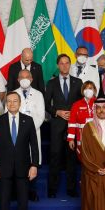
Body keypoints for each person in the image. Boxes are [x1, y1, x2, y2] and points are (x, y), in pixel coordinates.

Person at [0, 92, 39, 210]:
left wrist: (34, 165)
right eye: (9, 101)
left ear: (20, 103)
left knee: (23, 203)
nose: (12, 104)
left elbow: (34, 146)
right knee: (4, 202)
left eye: (15, 101)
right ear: (6, 104)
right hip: (3, 170)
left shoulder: (28, 121)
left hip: (23, 169)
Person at [44, 54, 82, 198]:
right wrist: (57, 112)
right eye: (62, 63)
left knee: (71, 157)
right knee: (55, 156)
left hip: (74, 125)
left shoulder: (78, 82)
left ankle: (71, 189)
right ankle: (52, 189)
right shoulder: (51, 83)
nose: (65, 66)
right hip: (57, 124)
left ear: (70, 65)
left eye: (67, 63)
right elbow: (47, 105)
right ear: (58, 65)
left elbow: (81, 103)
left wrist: (74, 114)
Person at [11, 67, 46, 200]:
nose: (24, 80)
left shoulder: (38, 94)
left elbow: (41, 115)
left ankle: (32, 192)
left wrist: (28, 130)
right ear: (18, 79)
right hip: (16, 134)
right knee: (18, 162)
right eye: (22, 77)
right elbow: (8, 113)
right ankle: (17, 192)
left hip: (33, 133)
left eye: (27, 77)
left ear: (31, 79)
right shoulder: (13, 94)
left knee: (33, 162)